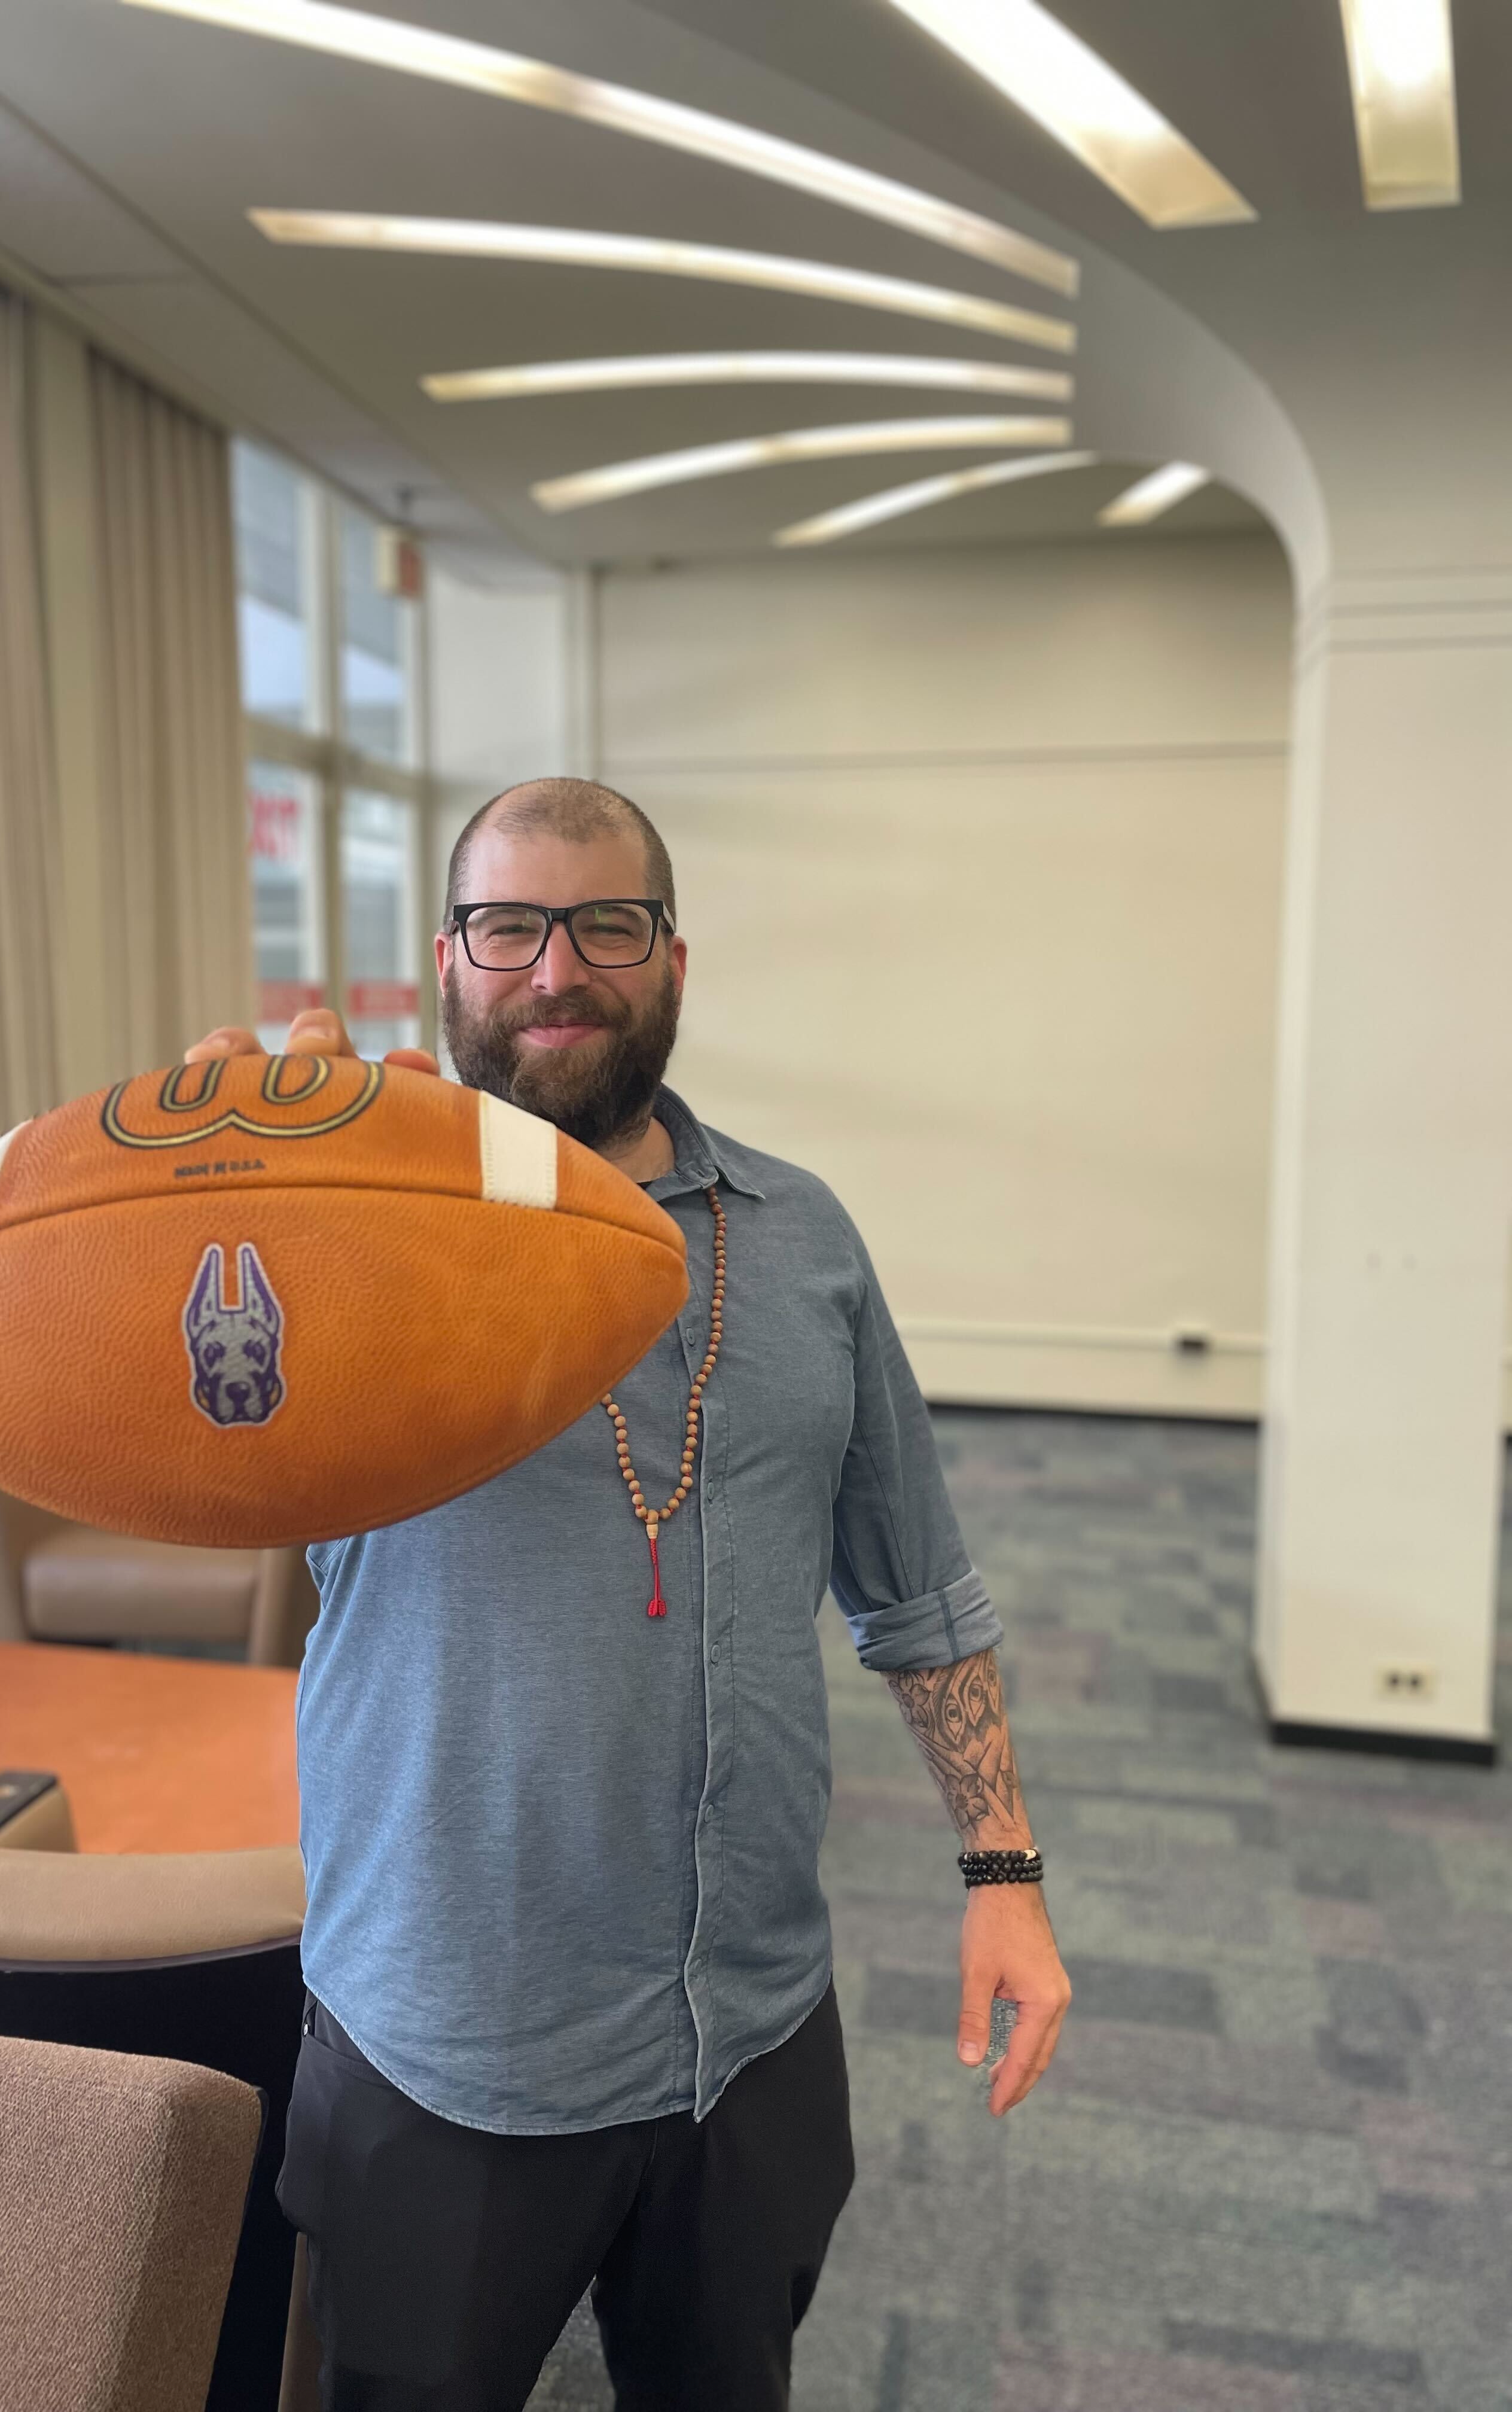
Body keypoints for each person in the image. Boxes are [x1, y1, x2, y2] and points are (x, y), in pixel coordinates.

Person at [187, 778, 1071, 2410]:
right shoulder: (343, 1238)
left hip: (746, 2034)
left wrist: (1002, 1871)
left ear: (673, 962)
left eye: (608, 924)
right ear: (445, 963)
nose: (556, 971)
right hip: (443, 2043)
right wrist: (227, 1191)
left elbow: (918, 1587)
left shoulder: (802, 1239)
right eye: (507, 925)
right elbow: (185, 1414)